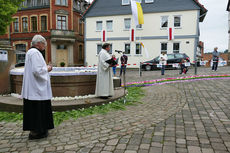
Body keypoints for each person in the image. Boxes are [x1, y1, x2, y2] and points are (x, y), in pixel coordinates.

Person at [21, 35, 54, 140]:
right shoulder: (35, 53)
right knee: (38, 110)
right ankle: (38, 132)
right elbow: (37, 70)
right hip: (37, 89)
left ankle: (37, 130)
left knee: (34, 110)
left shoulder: (30, 52)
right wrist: (47, 68)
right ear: (38, 43)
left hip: (33, 88)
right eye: (44, 44)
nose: (44, 46)